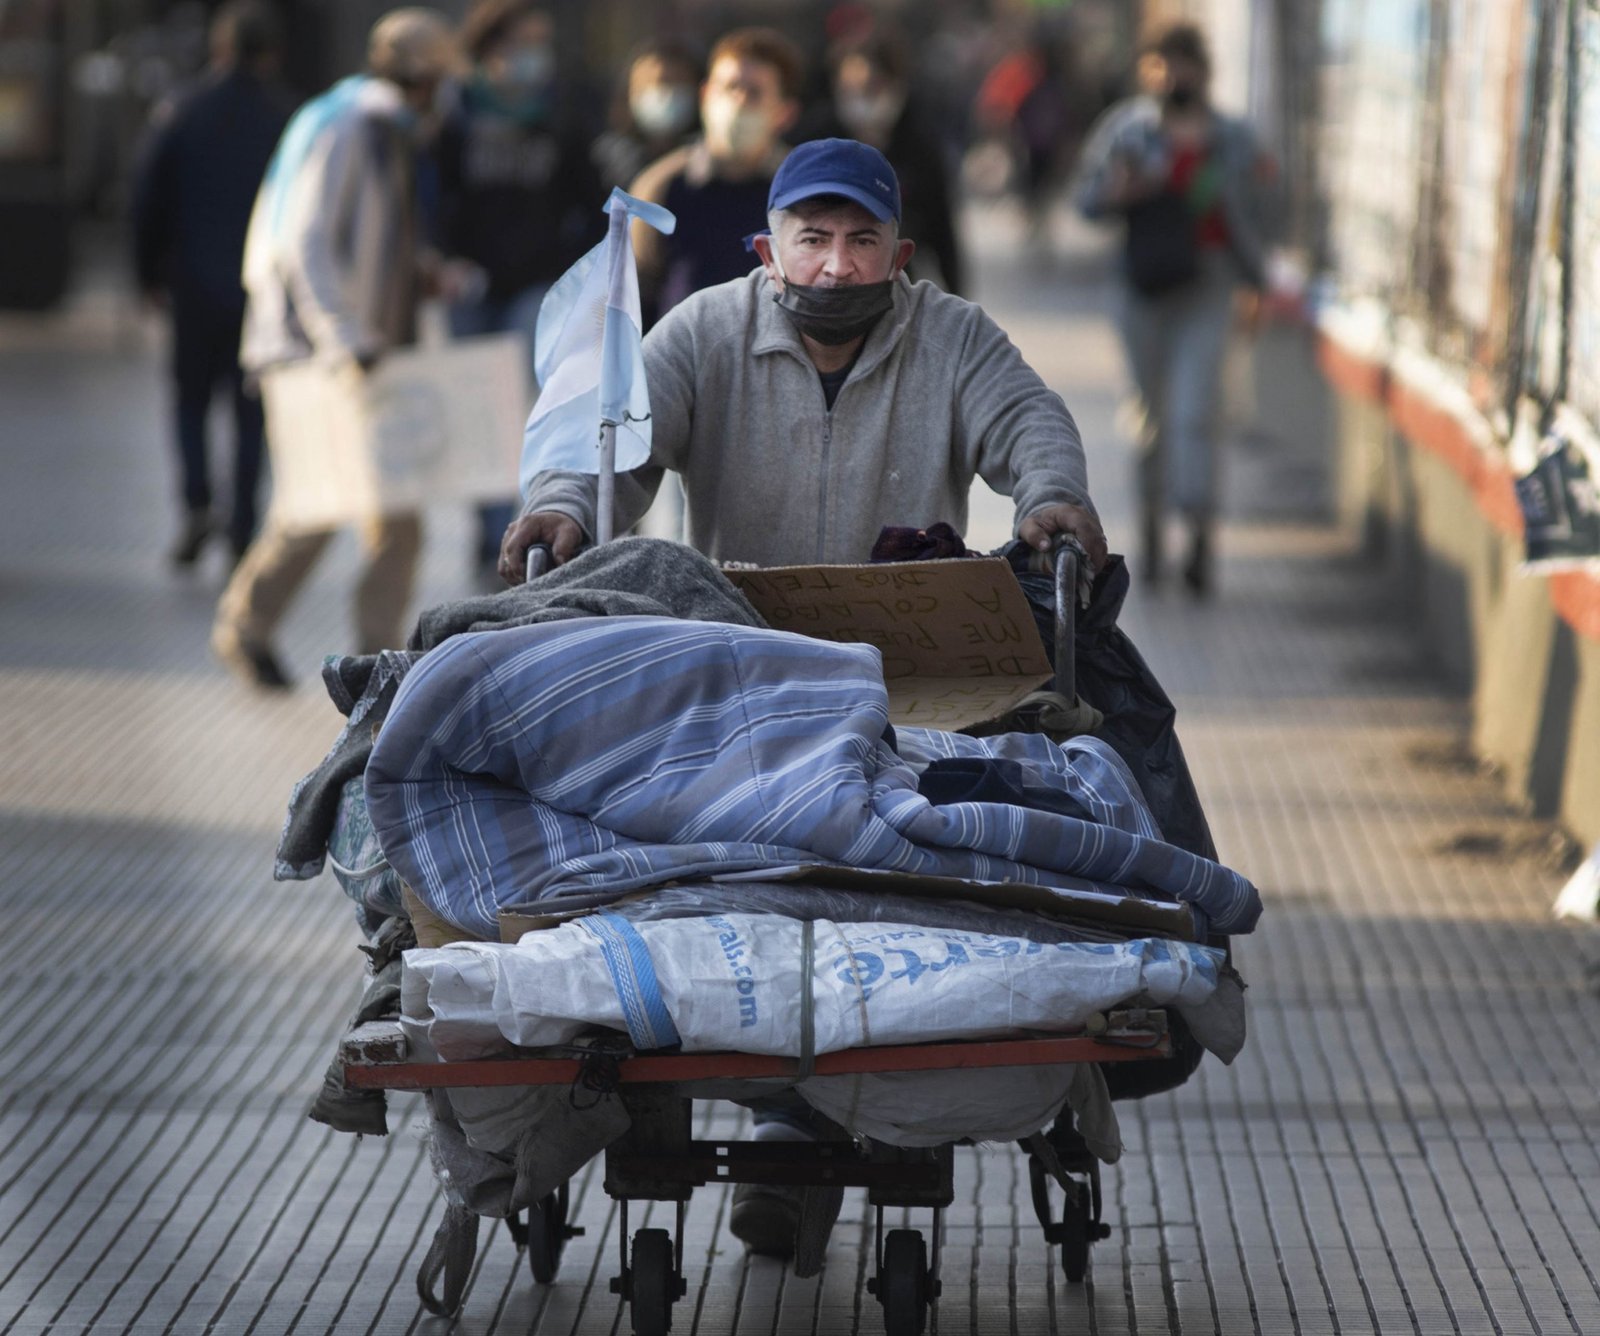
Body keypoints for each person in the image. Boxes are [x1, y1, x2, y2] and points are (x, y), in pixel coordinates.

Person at [498, 136, 1104, 1258]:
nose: (834, 266)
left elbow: (1029, 420)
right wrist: (562, 510)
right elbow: (611, 448)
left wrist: (1052, 496)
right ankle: (669, 1070)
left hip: (902, 681)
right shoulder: (704, 331)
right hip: (733, 666)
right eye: (812, 240)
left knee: (877, 875)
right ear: (768, 247)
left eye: (860, 240)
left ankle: (818, 1116)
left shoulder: (951, 335)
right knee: (699, 867)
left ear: (898, 251)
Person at [212, 8, 462, 689]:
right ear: (424, 78)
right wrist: (342, 338)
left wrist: (422, 271)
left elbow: (365, 237)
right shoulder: (352, 127)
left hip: (357, 348)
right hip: (324, 353)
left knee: (390, 515)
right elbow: (305, 241)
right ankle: (253, 627)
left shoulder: (368, 124)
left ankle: (370, 659)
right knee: (321, 505)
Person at [1074, 21, 1272, 596]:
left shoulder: (1231, 137)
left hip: (1208, 285)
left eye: (1183, 64)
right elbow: (1085, 202)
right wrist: (1120, 191)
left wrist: (1257, 281)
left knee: (1194, 414)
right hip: (1141, 286)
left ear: (1204, 71)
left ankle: (1201, 534)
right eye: (1160, 64)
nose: (1172, 77)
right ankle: (1152, 533)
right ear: (1146, 71)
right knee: (1148, 420)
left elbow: (1262, 213)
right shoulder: (1125, 130)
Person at [434, 0, 599, 572]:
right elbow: (434, 197)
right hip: (471, 287)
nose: (534, 57)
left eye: (541, 44)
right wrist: (444, 259)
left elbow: (589, 199)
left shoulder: (558, 117)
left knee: (518, 405)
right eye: (521, 43)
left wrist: (577, 276)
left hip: (536, 285)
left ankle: (514, 523)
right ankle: (485, 529)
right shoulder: (453, 115)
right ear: (489, 48)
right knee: (478, 410)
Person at [129, 1, 293, 568]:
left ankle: (197, 502)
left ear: (220, 50)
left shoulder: (182, 112)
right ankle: (243, 523)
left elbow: (146, 198)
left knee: (190, 403)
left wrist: (147, 274)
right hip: (258, 295)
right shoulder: (282, 119)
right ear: (269, 55)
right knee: (251, 412)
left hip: (192, 287)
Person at [627, 27, 803, 319]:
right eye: (730, 87)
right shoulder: (659, 187)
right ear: (706, 95)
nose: (738, 102)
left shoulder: (802, 194)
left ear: (785, 113)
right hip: (681, 359)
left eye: (754, 92)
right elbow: (632, 297)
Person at [803, 29, 964, 295]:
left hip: (894, 288)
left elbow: (941, 230)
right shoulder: (812, 141)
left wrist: (956, 299)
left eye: (872, 87)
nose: (862, 98)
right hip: (821, 286)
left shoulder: (920, 148)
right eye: (851, 88)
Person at [590, 39, 702, 195]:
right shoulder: (603, 160)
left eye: (676, 82)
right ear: (630, 93)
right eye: (653, 83)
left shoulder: (712, 161)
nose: (665, 94)